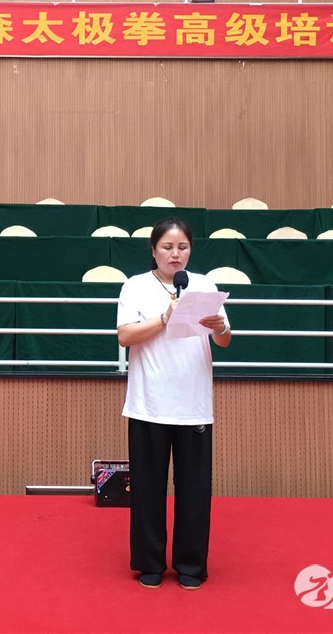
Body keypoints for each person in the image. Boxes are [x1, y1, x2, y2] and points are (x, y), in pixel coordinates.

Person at [116, 216, 232, 591]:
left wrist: (220, 328)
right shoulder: (135, 286)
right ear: (153, 250)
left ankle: (190, 565)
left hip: (193, 403)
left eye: (182, 247)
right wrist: (164, 318)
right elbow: (125, 336)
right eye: (167, 247)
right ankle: (149, 562)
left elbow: (224, 339)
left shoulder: (204, 285)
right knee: (147, 489)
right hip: (149, 403)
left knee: (194, 491)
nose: (175, 254)